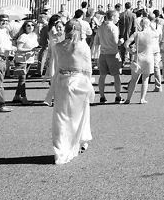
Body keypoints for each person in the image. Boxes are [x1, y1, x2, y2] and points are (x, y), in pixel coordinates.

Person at [51, 20, 94, 165]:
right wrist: (90, 86)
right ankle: (80, 141)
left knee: (62, 117)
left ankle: (61, 148)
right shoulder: (83, 47)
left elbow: (56, 67)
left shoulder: (58, 47)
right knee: (80, 116)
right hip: (79, 81)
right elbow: (88, 69)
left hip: (63, 81)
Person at [124, 17, 158, 104]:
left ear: (141, 24)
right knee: (145, 79)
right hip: (148, 57)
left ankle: (128, 99)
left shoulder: (136, 34)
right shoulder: (151, 34)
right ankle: (142, 99)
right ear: (148, 24)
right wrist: (151, 26)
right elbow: (157, 33)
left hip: (138, 58)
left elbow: (126, 44)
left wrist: (131, 52)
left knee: (133, 80)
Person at [96, 10, 123, 104]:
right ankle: (118, 96)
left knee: (102, 76)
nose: (118, 19)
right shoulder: (114, 27)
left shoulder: (101, 27)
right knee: (116, 76)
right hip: (112, 53)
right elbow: (116, 42)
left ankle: (102, 96)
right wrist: (121, 42)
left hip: (103, 53)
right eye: (117, 17)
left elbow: (97, 42)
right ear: (113, 17)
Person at [11, 21, 39, 105]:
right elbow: (19, 48)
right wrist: (30, 50)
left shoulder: (34, 36)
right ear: (24, 27)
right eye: (28, 25)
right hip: (21, 60)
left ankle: (17, 96)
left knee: (22, 79)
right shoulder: (23, 36)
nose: (30, 27)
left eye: (32, 25)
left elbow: (34, 46)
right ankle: (24, 98)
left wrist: (36, 50)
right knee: (22, 79)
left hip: (29, 59)